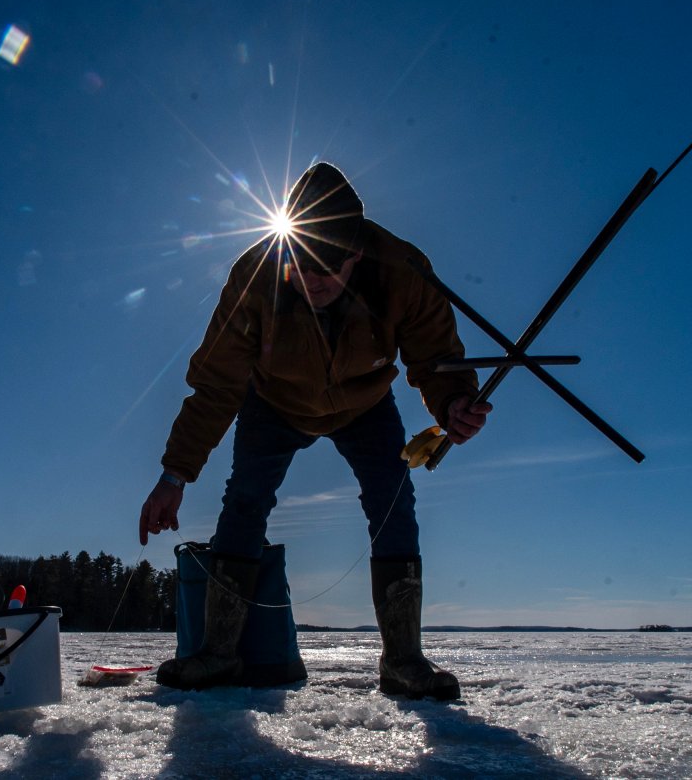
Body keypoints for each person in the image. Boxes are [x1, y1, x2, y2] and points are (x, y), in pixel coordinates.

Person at [139, 162, 491, 699]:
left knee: (393, 500)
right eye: (300, 267)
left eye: (328, 269)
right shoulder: (254, 277)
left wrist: (454, 402)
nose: (313, 281)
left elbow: (437, 357)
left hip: (366, 402)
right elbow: (215, 385)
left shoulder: (403, 271)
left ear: (356, 253)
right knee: (245, 501)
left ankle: (402, 659)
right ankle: (218, 654)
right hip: (272, 402)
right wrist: (174, 473)